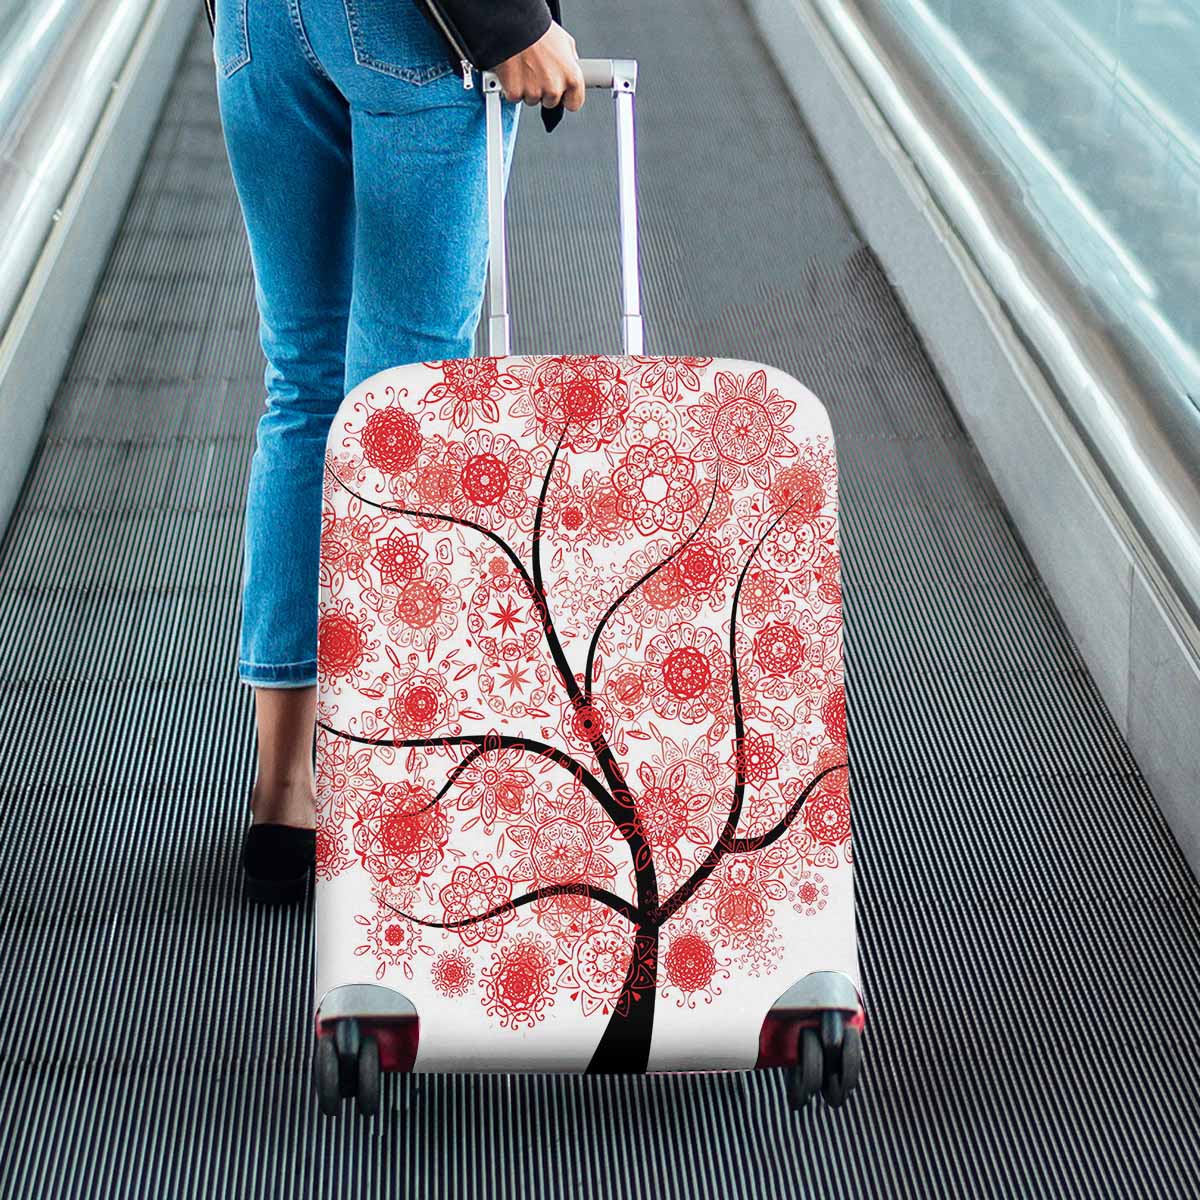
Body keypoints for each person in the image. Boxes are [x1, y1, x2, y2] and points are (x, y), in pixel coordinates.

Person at [212, 0, 585, 901]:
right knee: (403, 410)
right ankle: (395, 795)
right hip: (410, 31)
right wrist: (510, 21)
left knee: (304, 389)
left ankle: (285, 795)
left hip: (256, 29)